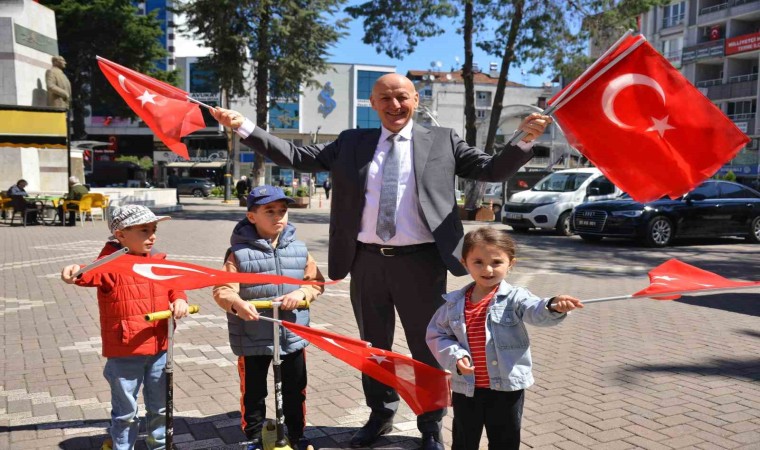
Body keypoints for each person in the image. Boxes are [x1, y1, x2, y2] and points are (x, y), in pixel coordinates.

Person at [210, 73, 551, 450]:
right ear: (373, 104)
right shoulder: (353, 142)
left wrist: (525, 139)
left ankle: (431, 423)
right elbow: (297, 157)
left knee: (428, 347)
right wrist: (245, 127)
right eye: (384, 99)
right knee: (373, 347)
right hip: (367, 261)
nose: (394, 106)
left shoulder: (443, 140)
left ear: (416, 99)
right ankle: (380, 414)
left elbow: (491, 169)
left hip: (422, 263)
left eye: (401, 97)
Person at [426, 227, 583, 450]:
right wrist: (456, 356)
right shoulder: (454, 303)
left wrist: (552, 305)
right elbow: (436, 334)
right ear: (465, 263)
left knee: (505, 440)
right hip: (467, 387)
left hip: (506, 389)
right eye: (478, 262)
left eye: (497, 262)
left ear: (511, 264)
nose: (487, 269)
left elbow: (535, 310)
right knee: (463, 439)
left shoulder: (516, 297)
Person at [60, 205, 190, 450]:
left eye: (153, 229)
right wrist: (74, 272)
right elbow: (87, 275)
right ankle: (122, 447)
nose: (152, 236)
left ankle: (160, 446)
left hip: (160, 348)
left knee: (161, 407)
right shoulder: (110, 265)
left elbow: (174, 285)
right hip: (125, 351)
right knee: (126, 412)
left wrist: (180, 299)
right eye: (144, 230)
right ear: (120, 235)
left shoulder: (160, 261)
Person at [212, 185, 325, 450]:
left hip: (292, 334)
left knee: (295, 390)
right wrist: (237, 303)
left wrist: (302, 293)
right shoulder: (238, 253)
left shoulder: (299, 249)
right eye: (270, 211)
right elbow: (223, 289)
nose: (278, 217)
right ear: (252, 216)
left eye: (283, 211)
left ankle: (296, 435)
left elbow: (315, 282)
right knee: (254, 392)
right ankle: (254, 436)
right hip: (253, 336)